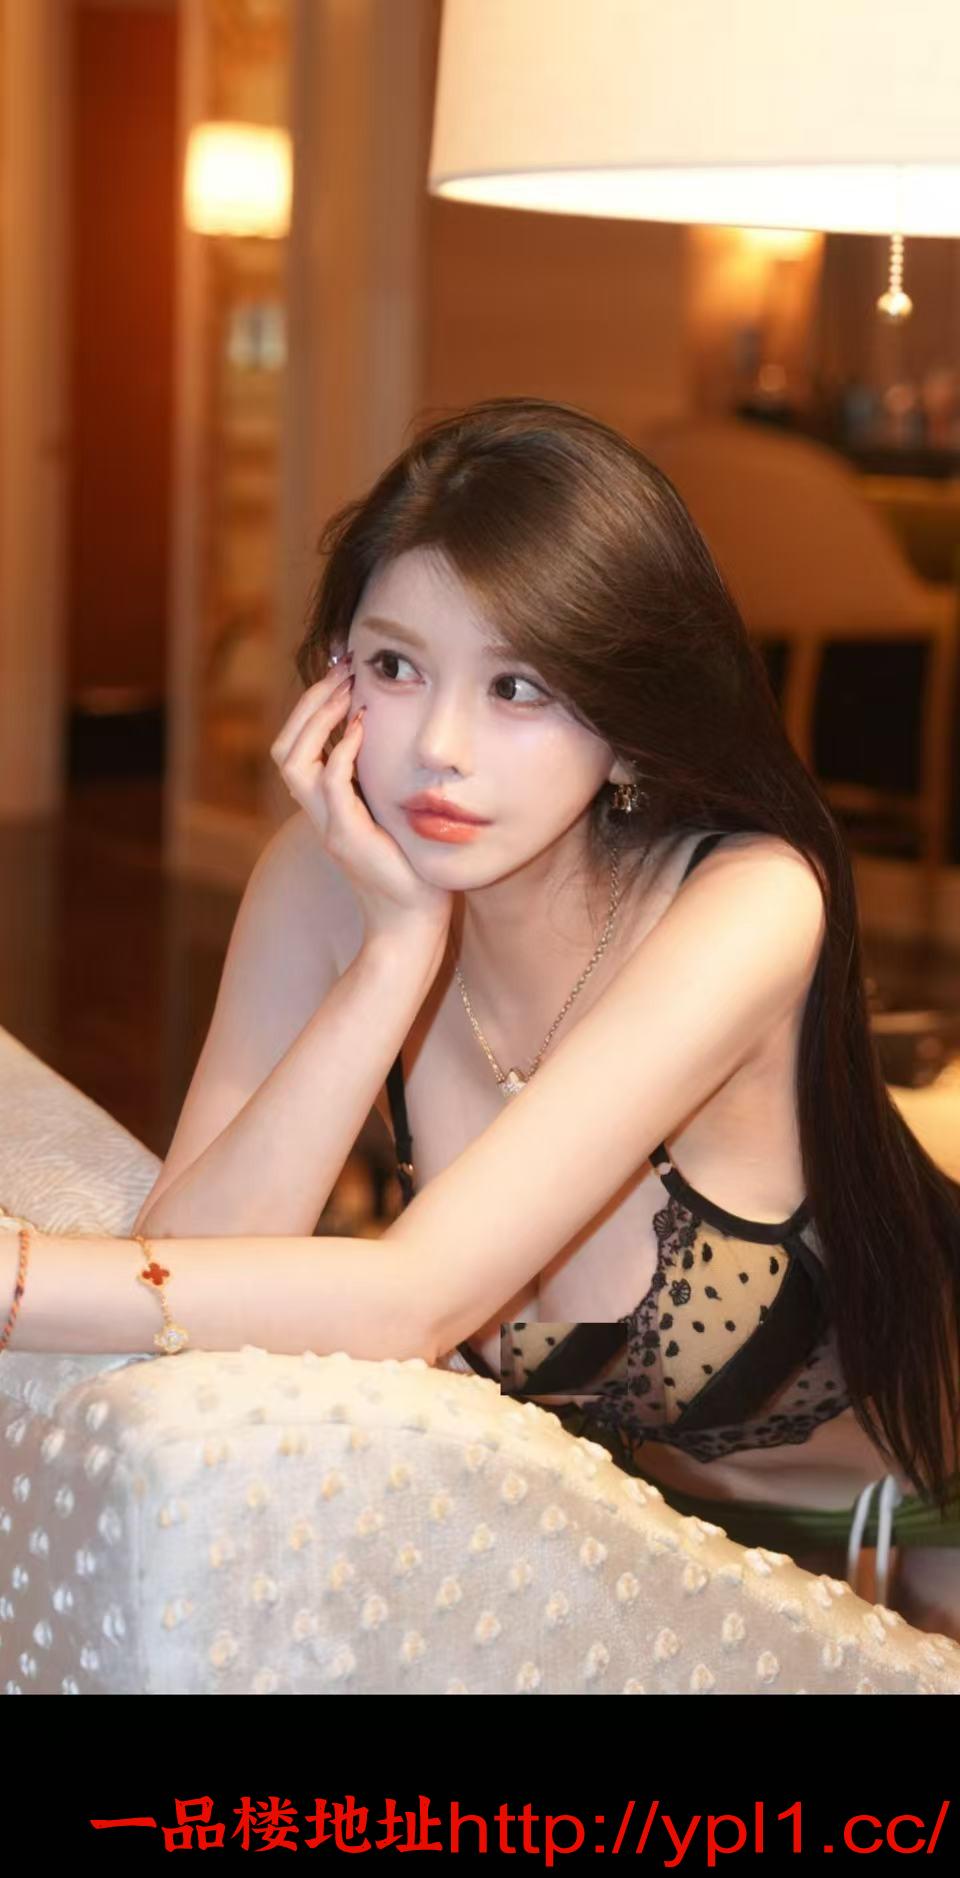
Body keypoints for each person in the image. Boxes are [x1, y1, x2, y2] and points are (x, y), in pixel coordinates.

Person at [3, 396, 959, 1639]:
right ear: (335, 676)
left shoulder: (747, 902)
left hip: (914, 1541)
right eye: (396, 668)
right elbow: (193, 1255)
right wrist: (394, 954)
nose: (440, 749)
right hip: (647, 1560)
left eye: (518, 686)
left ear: (628, 721)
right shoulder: (327, 883)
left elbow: (415, 1299)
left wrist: (21, 1281)